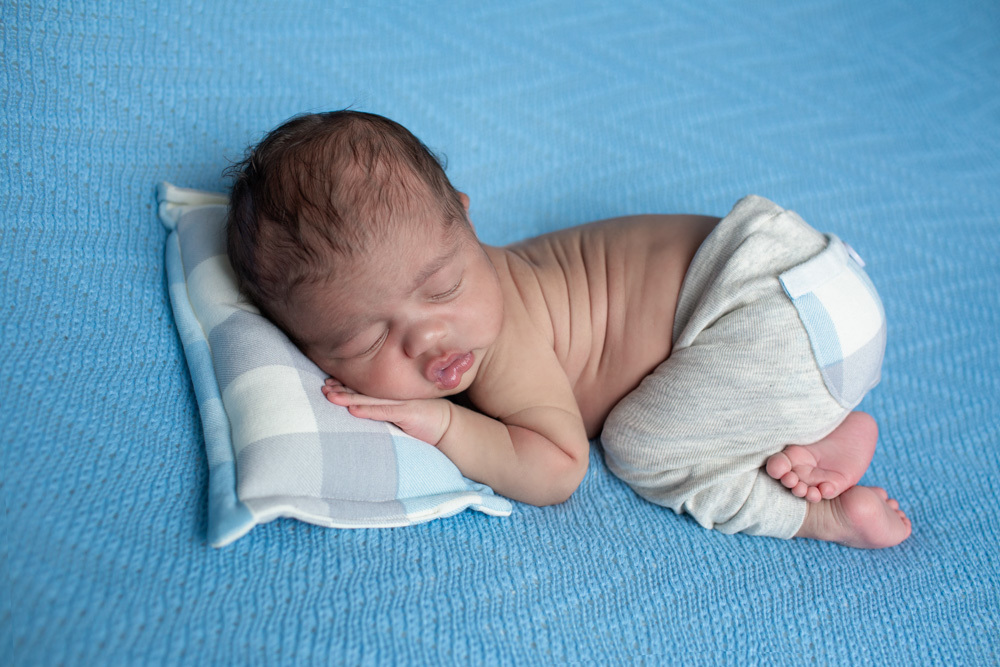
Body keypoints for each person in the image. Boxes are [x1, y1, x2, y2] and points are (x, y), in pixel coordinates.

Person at [225, 110, 911, 548]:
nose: (430, 339)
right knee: (707, 390)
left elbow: (556, 468)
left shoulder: (507, 336)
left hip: (766, 310)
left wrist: (442, 424)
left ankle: (819, 517)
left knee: (640, 448)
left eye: (443, 287)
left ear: (467, 220)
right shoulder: (498, 275)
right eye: (365, 341)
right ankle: (819, 424)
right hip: (816, 288)